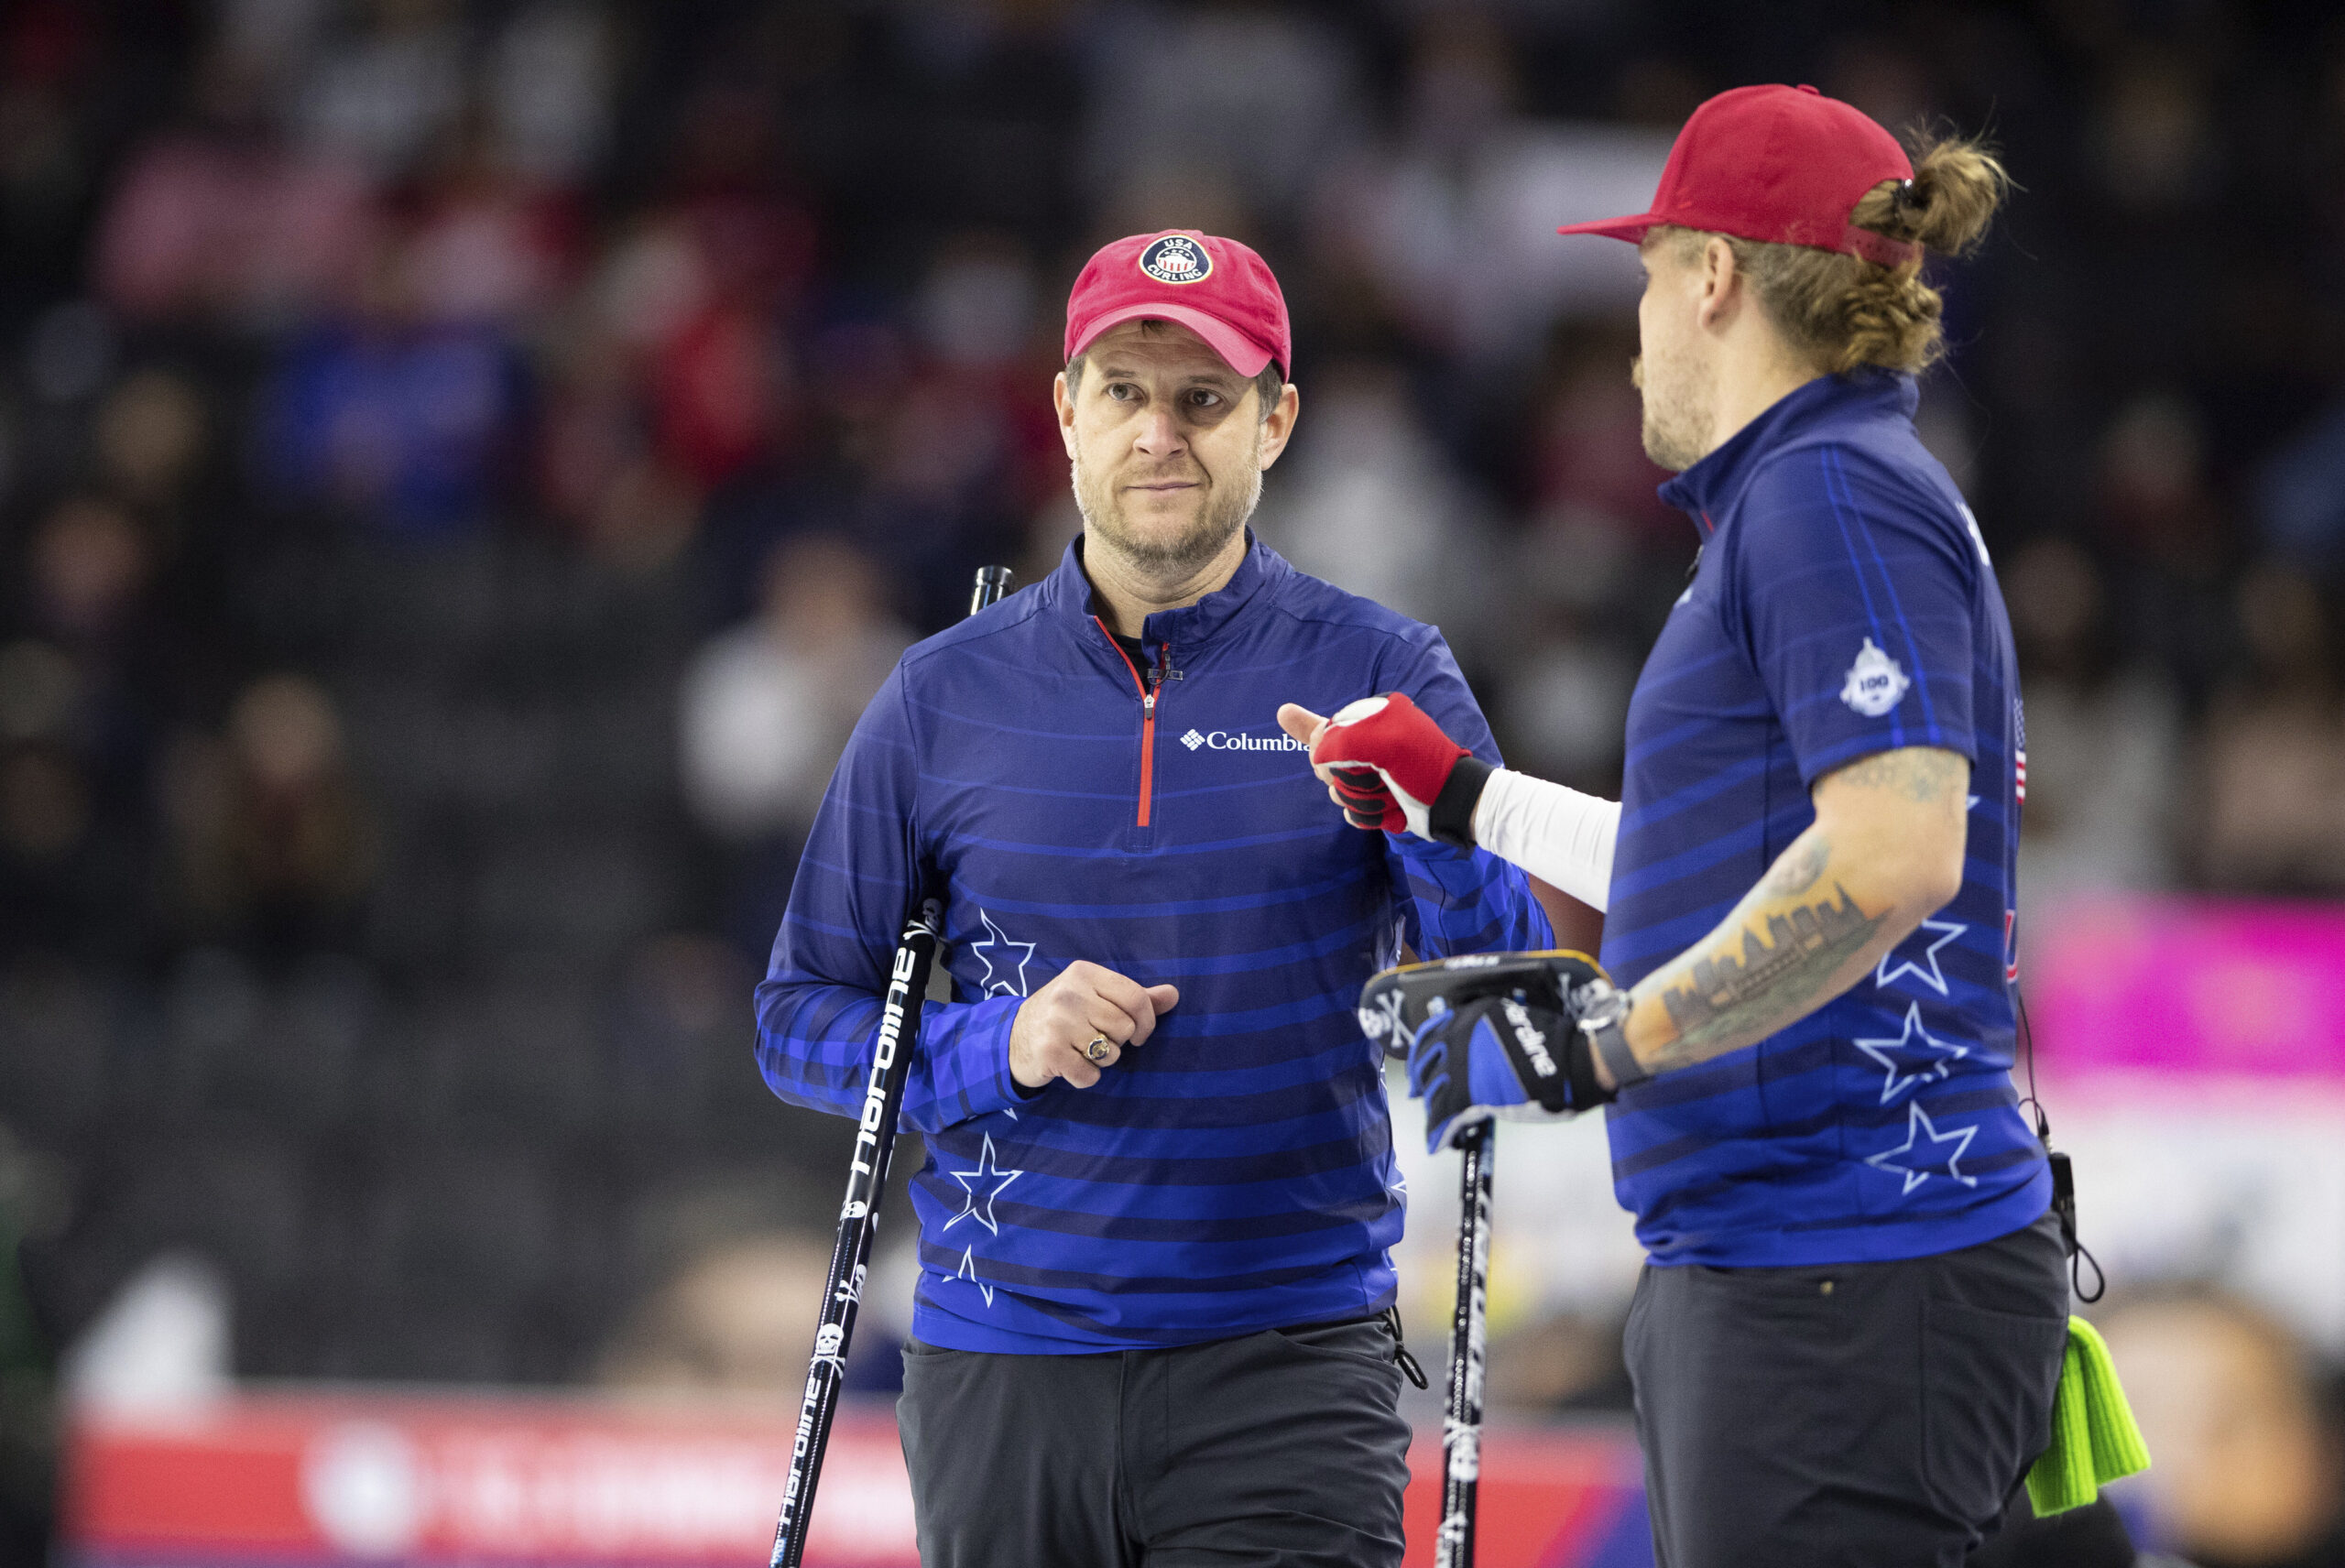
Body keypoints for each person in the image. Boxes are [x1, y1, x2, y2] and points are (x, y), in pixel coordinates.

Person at [1282, 86, 2067, 1568]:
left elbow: (1894, 855)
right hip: (1826, 1274)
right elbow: (1740, 848)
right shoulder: (1821, 492)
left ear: (1712, 277)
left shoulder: (1827, 493)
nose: (1635, 322)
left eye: (1644, 275)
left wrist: (1609, 1039)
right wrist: (1469, 797)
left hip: (1838, 1276)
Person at [755, 229, 1554, 1568]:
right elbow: (796, 1024)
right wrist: (994, 1042)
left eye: (1205, 399)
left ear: (1276, 421)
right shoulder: (941, 694)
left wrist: (1438, 832)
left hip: (1285, 1372)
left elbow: (1512, 1011)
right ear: (1065, 409)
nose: (1160, 434)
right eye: (1125, 391)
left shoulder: (1382, 665)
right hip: (1003, 1365)